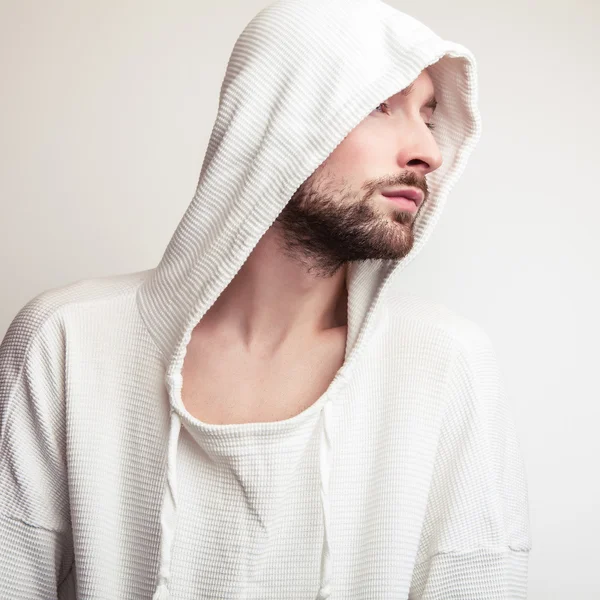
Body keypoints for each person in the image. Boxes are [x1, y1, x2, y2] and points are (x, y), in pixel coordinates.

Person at [0, 0, 532, 598]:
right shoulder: (66, 340)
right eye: (381, 104)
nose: (428, 152)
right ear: (275, 121)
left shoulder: (445, 363)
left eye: (429, 117)